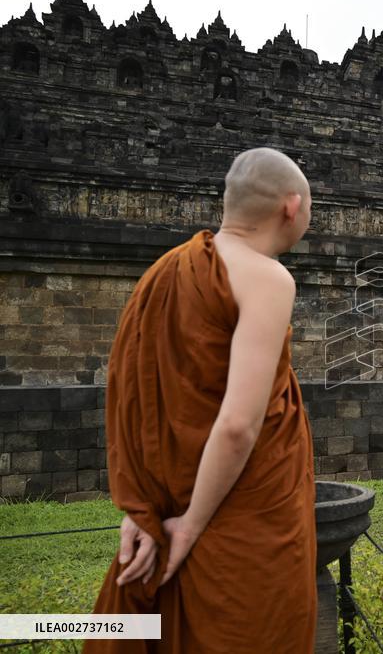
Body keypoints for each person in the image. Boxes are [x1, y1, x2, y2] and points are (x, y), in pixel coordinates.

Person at [85, 148, 316, 653]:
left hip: (165, 508)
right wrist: (188, 528)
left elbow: (142, 403)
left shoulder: (163, 273)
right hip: (239, 522)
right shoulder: (268, 277)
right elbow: (237, 424)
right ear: (292, 207)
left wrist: (142, 510)